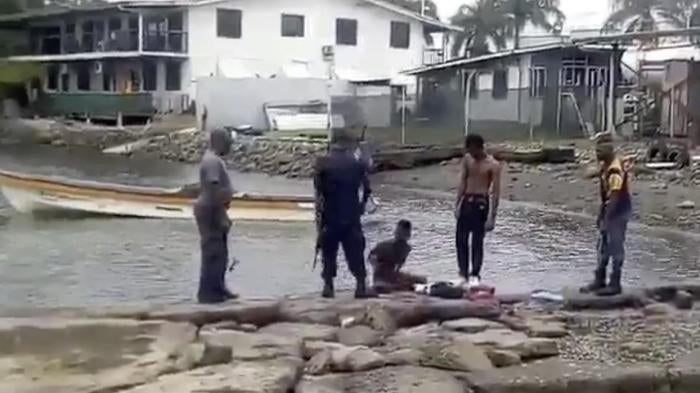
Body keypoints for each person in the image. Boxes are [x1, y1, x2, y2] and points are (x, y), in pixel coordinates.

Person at [314, 131, 375, 299]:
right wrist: (362, 206)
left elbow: (318, 195)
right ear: (347, 146)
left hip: (330, 216)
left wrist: (318, 222)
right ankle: (361, 286)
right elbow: (367, 188)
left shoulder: (322, 164)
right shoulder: (356, 164)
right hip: (351, 215)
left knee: (328, 253)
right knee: (355, 252)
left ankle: (328, 286)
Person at [581, 132, 632, 296]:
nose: (596, 154)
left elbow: (615, 197)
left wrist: (607, 218)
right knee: (602, 247)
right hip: (609, 210)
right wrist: (601, 215)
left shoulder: (615, 170)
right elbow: (606, 197)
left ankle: (615, 284)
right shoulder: (606, 166)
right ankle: (600, 280)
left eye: (599, 151)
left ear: (608, 152)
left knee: (615, 247)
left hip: (618, 212)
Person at [194, 128, 237, 304]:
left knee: (221, 252)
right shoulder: (212, 161)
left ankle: (219, 287)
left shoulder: (214, 159)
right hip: (211, 210)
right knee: (213, 252)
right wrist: (221, 215)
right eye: (227, 141)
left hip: (213, 208)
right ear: (218, 141)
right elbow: (213, 188)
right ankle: (208, 294)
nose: (230, 145)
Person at [455, 134, 502, 287]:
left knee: (477, 241)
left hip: (481, 202)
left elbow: (495, 192)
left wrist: (492, 217)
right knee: (461, 240)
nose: (471, 153)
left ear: (479, 147)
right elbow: (462, 181)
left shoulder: (493, 165)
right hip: (467, 201)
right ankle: (463, 273)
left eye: (472, 150)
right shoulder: (467, 160)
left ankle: (475, 274)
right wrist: (457, 204)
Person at [369, 219, 427, 293]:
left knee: (422, 280)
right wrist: (377, 267)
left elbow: (398, 267)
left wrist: (397, 275)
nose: (397, 234)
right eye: (398, 232)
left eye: (401, 233)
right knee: (411, 283)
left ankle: (392, 285)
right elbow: (371, 257)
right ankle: (388, 285)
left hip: (392, 275)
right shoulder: (384, 246)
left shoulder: (406, 248)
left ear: (408, 235)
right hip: (381, 277)